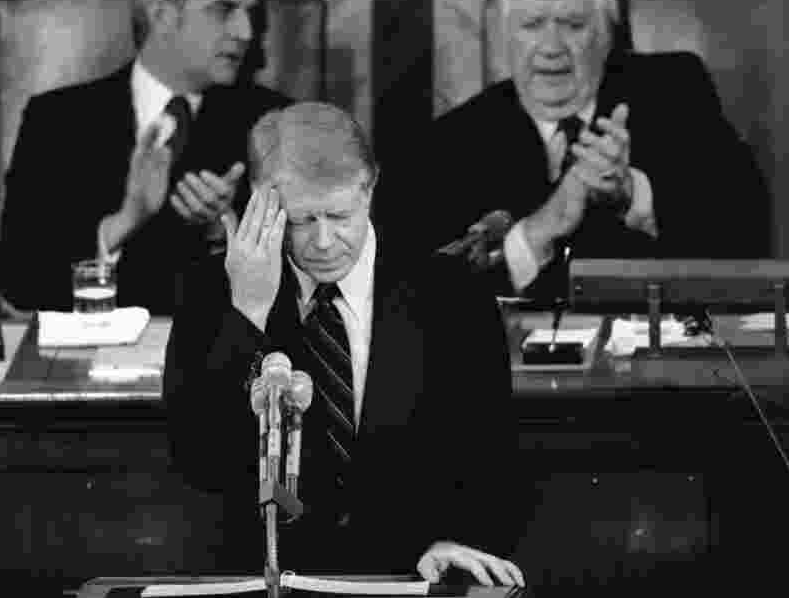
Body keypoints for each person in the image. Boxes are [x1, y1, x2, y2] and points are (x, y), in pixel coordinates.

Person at [164, 102, 524, 585]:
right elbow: (199, 460)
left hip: (413, 574)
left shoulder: (450, 291)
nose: (324, 241)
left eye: (339, 215)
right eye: (301, 220)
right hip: (270, 578)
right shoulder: (213, 290)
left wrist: (450, 538)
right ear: (261, 203)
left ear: (369, 189)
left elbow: (491, 455)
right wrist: (247, 315)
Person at [387, 0, 770, 302]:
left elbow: (747, 234)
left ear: (606, 34)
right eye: (532, 25)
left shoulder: (676, 92)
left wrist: (633, 195)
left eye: (573, 25)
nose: (552, 47)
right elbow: (415, 295)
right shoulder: (450, 142)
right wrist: (539, 230)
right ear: (506, 37)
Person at [0, 0, 291, 315]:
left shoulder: (275, 121)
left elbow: (308, 282)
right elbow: (18, 280)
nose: (245, 31)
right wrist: (123, 223)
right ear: (162, 15)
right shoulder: (57, 120)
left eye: (250, 14)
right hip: (93, 345)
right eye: (224, 10)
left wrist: (225, 231)